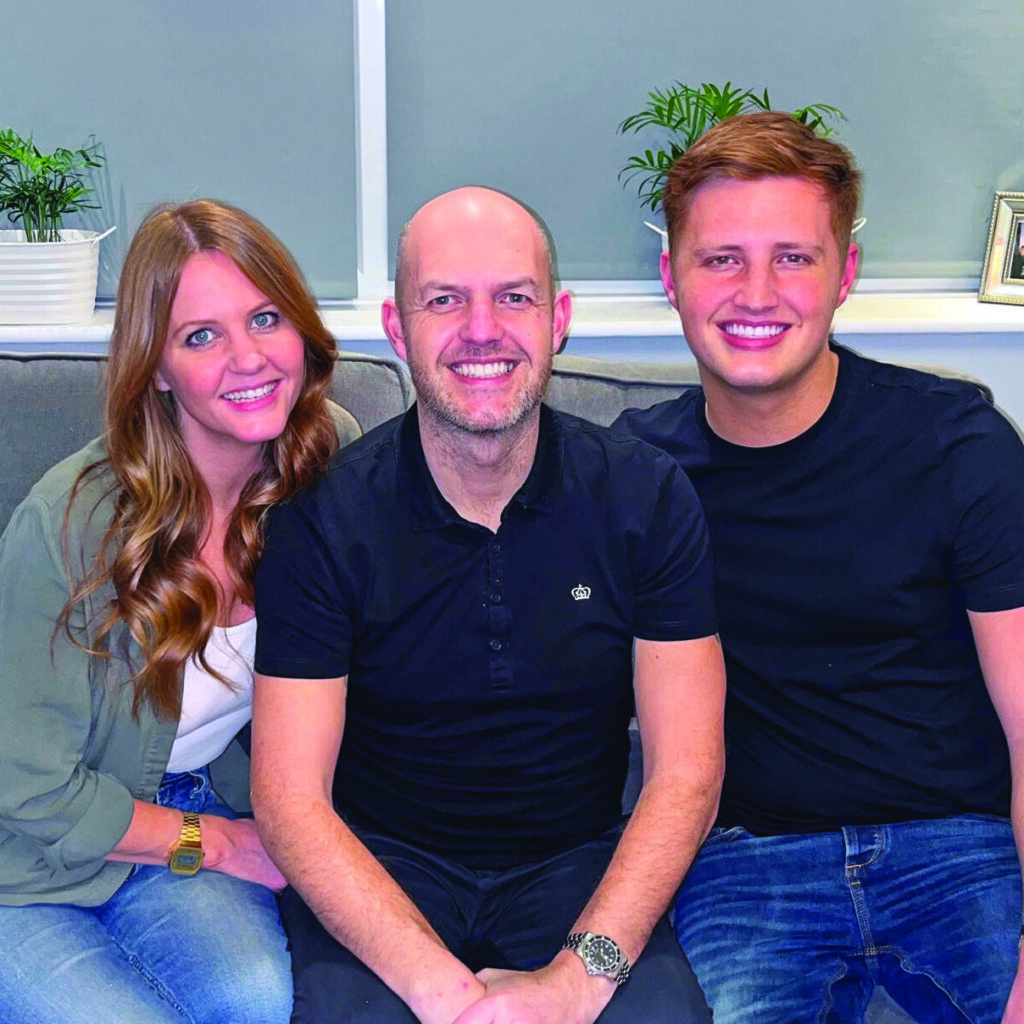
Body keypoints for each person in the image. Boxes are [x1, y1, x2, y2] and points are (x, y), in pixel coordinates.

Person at [250, 185, 726, 1024]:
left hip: (579, 866)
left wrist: (581, 981)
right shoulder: (321, 520)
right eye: (444, 300)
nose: (482, 329)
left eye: (514, 297)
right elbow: (289, 800)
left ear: (557, 320)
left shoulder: (646, 498)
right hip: (381, 871)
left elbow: (686, 774)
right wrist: (448, 996)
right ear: (399, 330)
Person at [614, 111, 1024, 1024]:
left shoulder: (957, 445)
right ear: (671, 279)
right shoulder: (635, 475)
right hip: (748, 864)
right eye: (721, 259)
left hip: (960, 849)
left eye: (793, 258)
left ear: (846, 276)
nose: (756, 293)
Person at [0, 199, 359, 1023]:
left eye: (265, 318)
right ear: (156, 368)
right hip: (27, 855)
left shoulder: (322, 458)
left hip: (192, 800)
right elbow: (21, 779)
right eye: (201, 336)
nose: (249, 359)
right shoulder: (72, 520)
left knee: (256, 999)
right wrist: (221, 844)